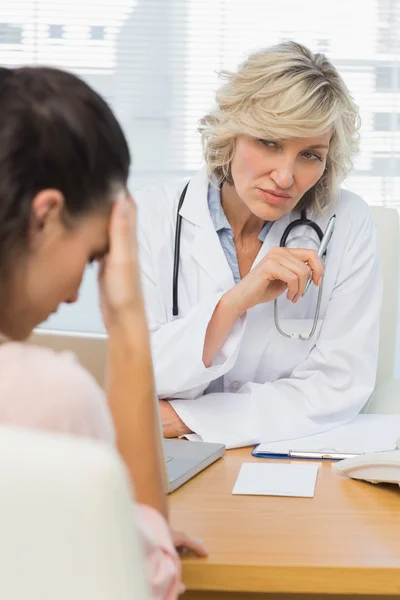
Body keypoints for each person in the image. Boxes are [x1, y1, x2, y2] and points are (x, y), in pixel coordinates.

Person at [0, 66, 206, 600]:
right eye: (94, 253)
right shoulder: (47, 394)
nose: (73, 295)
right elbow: (149, 583)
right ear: (45, 217)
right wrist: (128, 322)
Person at [135, 41, 382, 449]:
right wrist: (232, 304)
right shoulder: (150, 216)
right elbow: (135, 374)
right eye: (269, 143)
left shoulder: (347, 222)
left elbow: (339, 383)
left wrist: (188, 417)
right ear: (231, 132)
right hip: (165, 457)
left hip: (292, 455)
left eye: (310, 155)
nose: (286, 177)